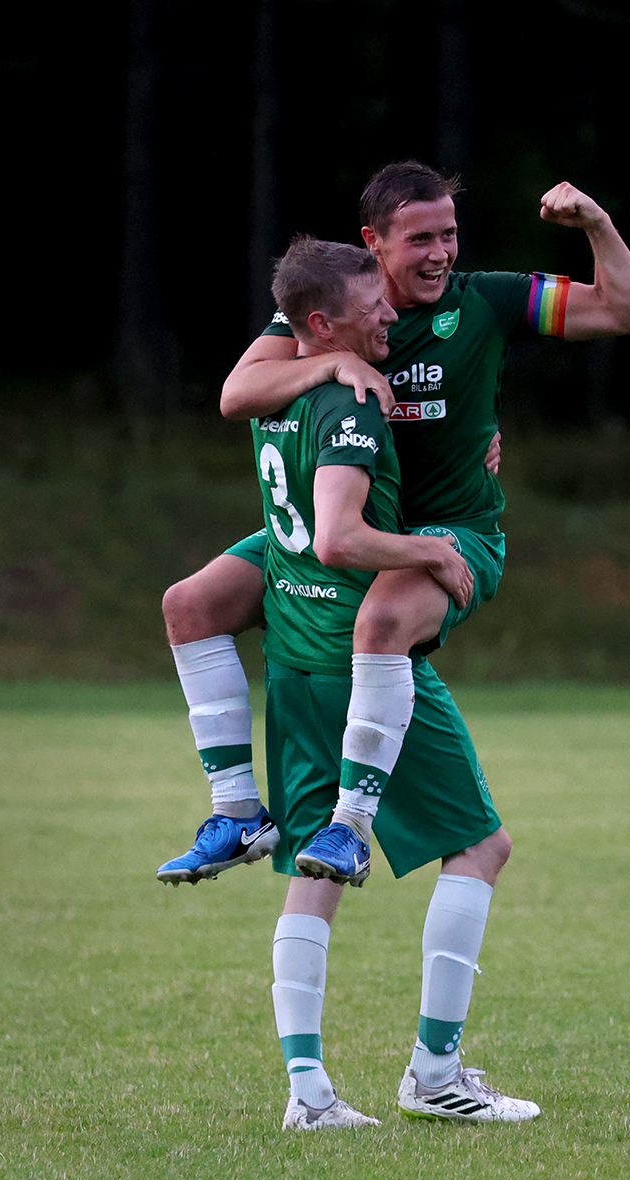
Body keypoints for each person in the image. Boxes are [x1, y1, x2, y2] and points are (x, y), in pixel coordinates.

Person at [157, 162, 630, 885]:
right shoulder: (336, 304)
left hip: (440, 532)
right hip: (354, 525)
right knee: (189, 604)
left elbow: (626, 311)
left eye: (449, 234)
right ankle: (235, 811)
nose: (442, 253)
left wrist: (597, 226)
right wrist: (328, 368)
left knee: (382, 620)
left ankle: (351, 826)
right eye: (421, 238)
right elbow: (238, 392)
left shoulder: (485, 301)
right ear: (374, 243)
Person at [248, 235, 539, 1129]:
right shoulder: (354, 402)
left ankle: (307, 1091)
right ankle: (436, 1072)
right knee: (481, 848)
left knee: (314, 871)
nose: (392, 319)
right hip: (363, 660)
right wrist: (434, 548)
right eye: (374, 305)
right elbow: (341, 537)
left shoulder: (284, 388)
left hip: (293, 660)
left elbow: (236, 395)